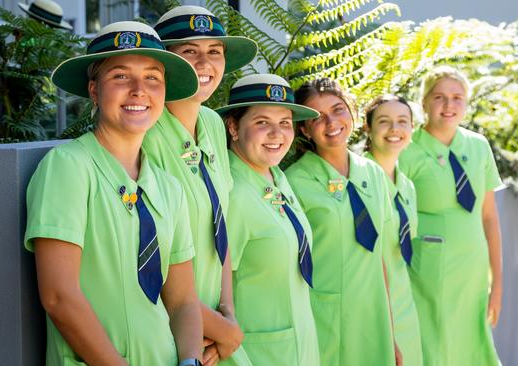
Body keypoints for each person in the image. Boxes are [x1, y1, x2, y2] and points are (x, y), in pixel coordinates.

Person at [24, 21, 204, 365]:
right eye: (120, 76)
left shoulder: (169, 188)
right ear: (94, 91)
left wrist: (190, 360)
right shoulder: (68, 166)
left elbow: (182, 301)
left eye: (152, 78)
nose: (139, 90)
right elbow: (59, 297)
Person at [143, 5, 257, 365]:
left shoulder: (211, 123)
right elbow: (148, 253)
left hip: (213, 322)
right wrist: (222, 332)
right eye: (189, 51)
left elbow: (218, 221)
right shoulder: (145, 130)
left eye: (215, 52)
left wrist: (227, 312)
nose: (204, 63)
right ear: (167, 63)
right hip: (166, 326)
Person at [285, 78, 401, 366]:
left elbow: (378, 257)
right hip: (323, 318)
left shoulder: (373, 174)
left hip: (373, 317)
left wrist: (391, 331)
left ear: (352, 112)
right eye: (318, 117)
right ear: (304, 128)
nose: (331, 122)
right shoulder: (293, 182)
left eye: (338, 110)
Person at [399, 66, 502, 365]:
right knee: (434, 347)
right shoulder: (407, 150)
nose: (449, 105)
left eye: (457, 98)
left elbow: (489, 218)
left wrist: (497, 285)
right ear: (424, 103)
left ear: (466, 103)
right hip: (426, 272)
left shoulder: (478, 146)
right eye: (440, 97)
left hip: (472, 272)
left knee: (472, 347)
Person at [215, 73, 321, 366]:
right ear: (233, 127)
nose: (277, 134)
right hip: (254, 355)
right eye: (262, 122)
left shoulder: (277, 178)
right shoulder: (231, 193)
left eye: (285, 123)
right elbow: (210, 290)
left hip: (299, 349)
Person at [363, 94, 423, 366]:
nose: (395, 130)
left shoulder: (407, 186)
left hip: (405, 308)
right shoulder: (358, 179)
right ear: (368, 128)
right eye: (384, 122)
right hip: (373, 307)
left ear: (412, 128)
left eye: (402, 121)